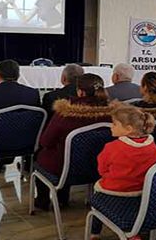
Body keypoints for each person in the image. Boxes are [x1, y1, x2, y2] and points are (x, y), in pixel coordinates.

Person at [34, 74, 113, 210]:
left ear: (80, 92)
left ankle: (43, 201)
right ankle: (62, 199)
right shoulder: (112, 113)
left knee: (41, 156)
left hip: (65, 168)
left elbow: (46, 141)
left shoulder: (65, 113)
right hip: (98, 166)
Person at [89, 105, 156, 239]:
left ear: (128, 129)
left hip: (114, 192)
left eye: (115, 124)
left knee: (96, 192)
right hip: (142, 191)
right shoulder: (152, 145)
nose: (111, 126)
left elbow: (101, 170)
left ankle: (95, 233)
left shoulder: (112, 147)